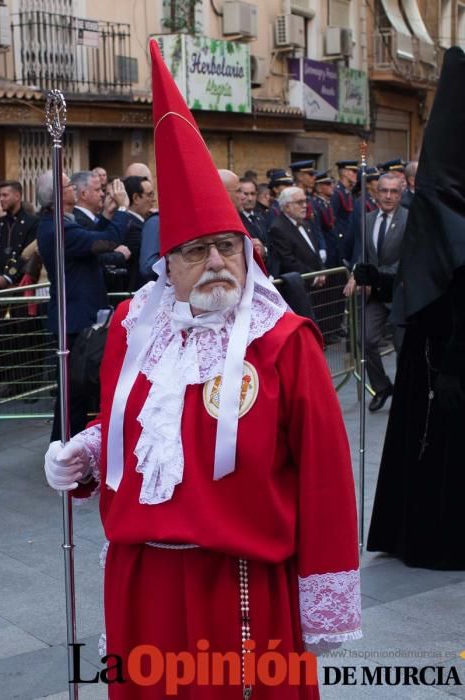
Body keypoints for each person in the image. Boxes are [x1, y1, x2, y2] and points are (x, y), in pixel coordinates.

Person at [44, 39, 361, 699]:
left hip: (239, 584)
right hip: (137, 584)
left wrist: (324, 597)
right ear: (168, 266)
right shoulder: (135, 331)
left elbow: (326, 476)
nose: (215, 262)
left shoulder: (282, 340)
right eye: (195, 251)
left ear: (246, 252)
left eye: (226, 246)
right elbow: (130, 424)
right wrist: (86, 453)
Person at [367, 46, 465, 570]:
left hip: (449, 362)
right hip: (427, 360)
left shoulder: (450, 217)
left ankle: (438, 540)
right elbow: (423, 282)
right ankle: (408, 532)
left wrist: (452, 366)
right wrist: (379, 280)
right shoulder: (437, 214)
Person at [36, 170, 129, 440]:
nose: (73, 189)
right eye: (67, 186)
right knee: (72, 394)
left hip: (78, 316)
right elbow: (105, 242)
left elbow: (90, 237)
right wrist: (123, 209)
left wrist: (109, 214)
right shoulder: (58, 228)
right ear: (57, 195)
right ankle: (64, 448)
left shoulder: (64, 223)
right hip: (73, 320)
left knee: (75, 394)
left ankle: (71, 445)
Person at [344, 172, 407, 411]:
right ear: (376, 192)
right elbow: (363, 254)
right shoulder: (367, 219)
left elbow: (407, 258)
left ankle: (404, 392)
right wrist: (356, 273)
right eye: (384, 191)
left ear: (400, 195)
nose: (388, 196)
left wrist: (375, 276)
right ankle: (382, 387)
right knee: (366, 340)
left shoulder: (409, 219)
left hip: (401, 294)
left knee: (403, 348)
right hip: (375, 296)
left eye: (394, 191)